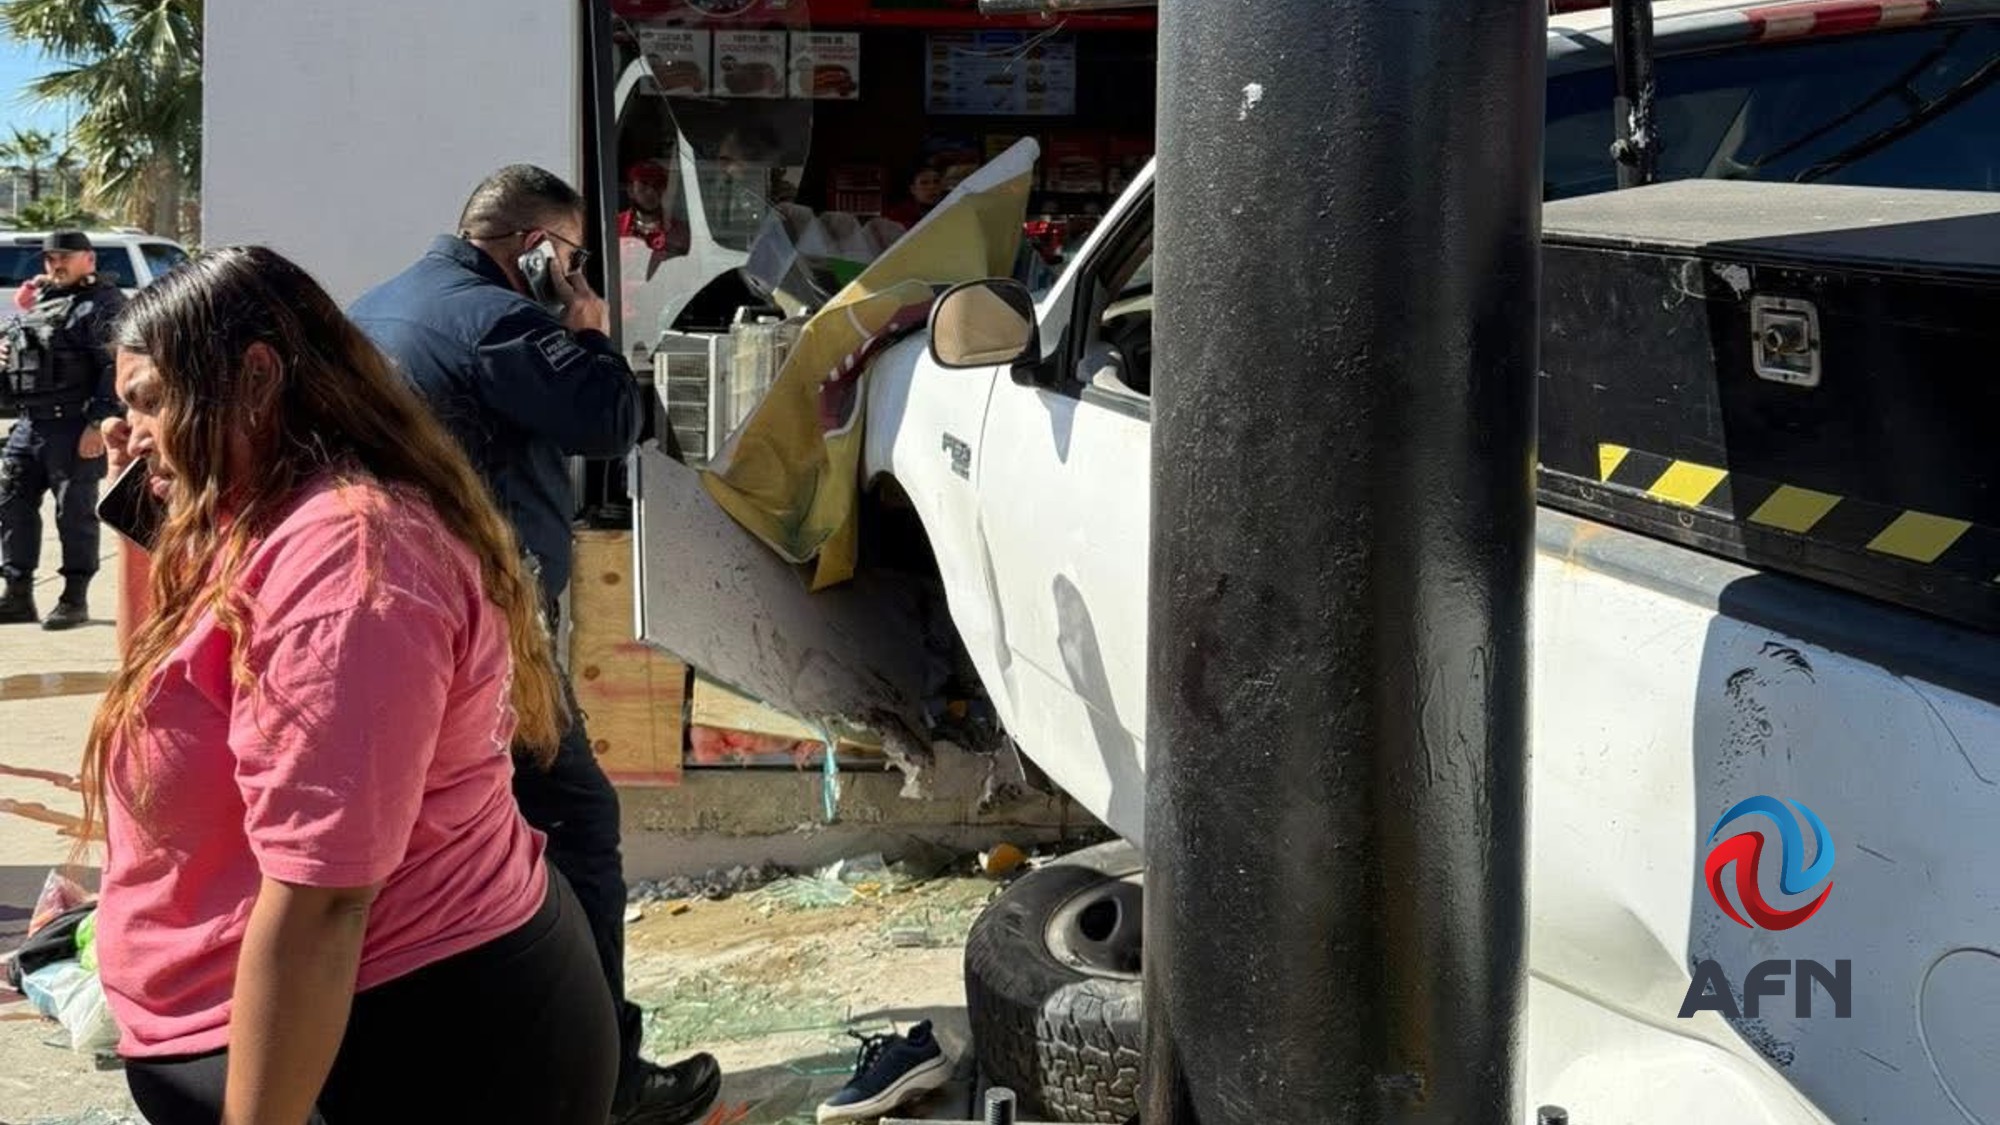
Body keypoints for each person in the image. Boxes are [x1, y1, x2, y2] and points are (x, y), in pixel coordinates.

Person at [86, 245, 619, 1123]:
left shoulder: (351, 567)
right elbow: (160, 686)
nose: (132, 430)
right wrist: (140, 504)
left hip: (420, 1048)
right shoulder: (255, 510)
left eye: (149, 402)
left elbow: (325, 899)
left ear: (254, 378)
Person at [348, 164, 723, 1125]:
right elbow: (612, 419)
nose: (580, 271)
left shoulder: (375, 307)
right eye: (574, 254)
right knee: (576, 825)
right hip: (490, 637)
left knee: (454, 849)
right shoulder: (501, 322)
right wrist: (587, 325)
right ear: (541, 252)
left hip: (393, 634)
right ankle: (605, 1077)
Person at [0, 230, 127, 629]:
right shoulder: (42, 301)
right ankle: (18, 596)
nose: (57, 263)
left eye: (66, 256)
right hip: (28, 424)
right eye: (51, 257)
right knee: (12, 507)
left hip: (74, 425)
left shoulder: (104, 304)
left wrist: (97, 423)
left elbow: (115, 366)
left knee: (73, 514)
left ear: (88, 259)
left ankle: (74, 600)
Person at [882, 163, 945, 229]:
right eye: (924, 183)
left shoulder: (949, 208)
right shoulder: (899, 215)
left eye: (936, 182)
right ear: (913, 189)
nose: (932, 187)